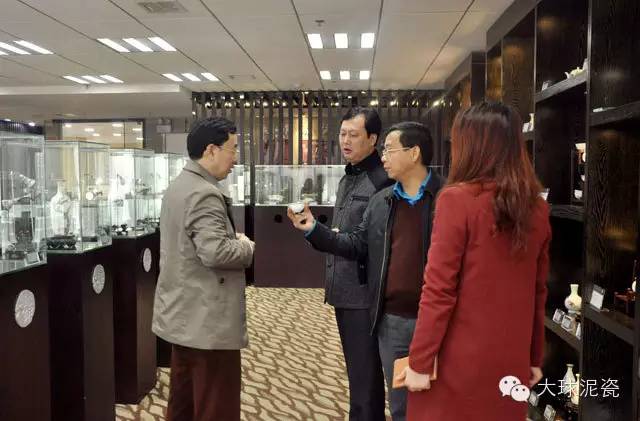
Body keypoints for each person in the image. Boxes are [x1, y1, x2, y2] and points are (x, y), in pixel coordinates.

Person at [398, 102, 550, 421]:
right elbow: (538, 292)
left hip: (458, 362)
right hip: (511, 358)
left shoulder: (458, 200)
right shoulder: (536, 208)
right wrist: (534, 357)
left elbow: (439, 290)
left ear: (470, 145)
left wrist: (420, 361)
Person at [289, 121, 443, 420]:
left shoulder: (446, 199)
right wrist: (313, 229)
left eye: (389, 150)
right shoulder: (381, 202)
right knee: (401, 406)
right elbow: (357, 244)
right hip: (392, 320)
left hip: (437, 318)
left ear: (414, 153)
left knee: (440, 403)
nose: (383, 157)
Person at [152, 117, 255, 421]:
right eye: (232, 149)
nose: (235, 158)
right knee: (215, 406)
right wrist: (246, 246)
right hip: (207, 322)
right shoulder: (203, 193)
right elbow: (216, 252)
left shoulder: (179, 186)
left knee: (183, 402)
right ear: (211, 150)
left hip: (184, 315)